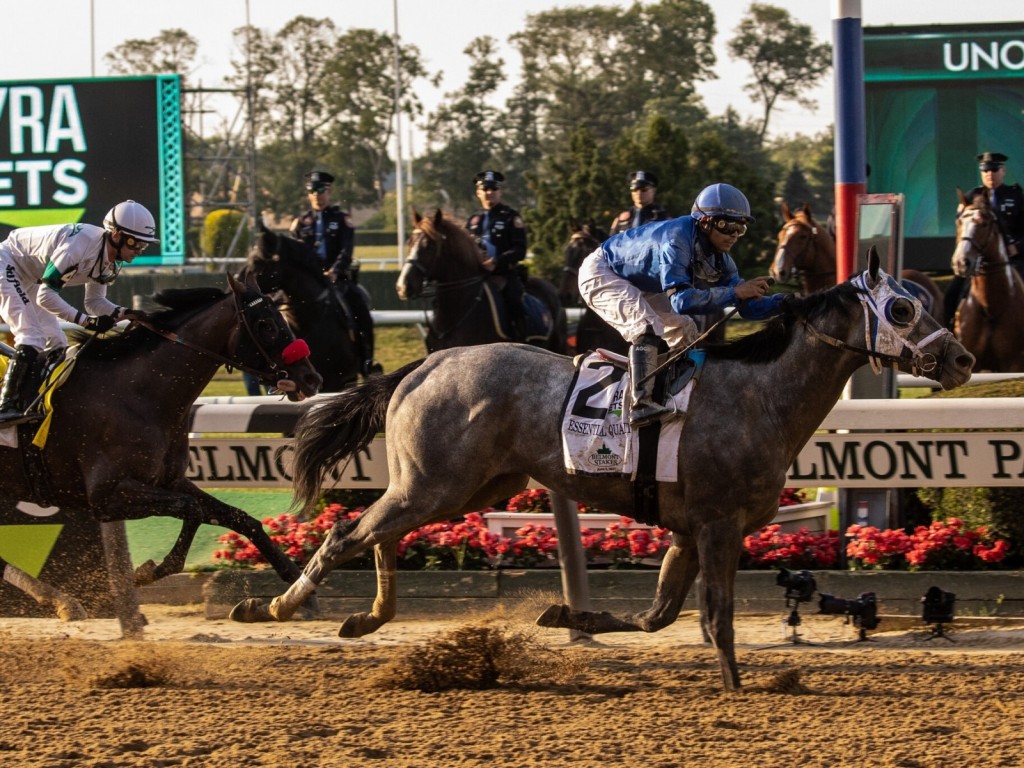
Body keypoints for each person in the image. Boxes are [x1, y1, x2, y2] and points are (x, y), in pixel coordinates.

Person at [579, 182, 783, 426]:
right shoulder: (677, 239)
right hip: (602, 271)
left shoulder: (722, 260)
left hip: (640, 283)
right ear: (705, 222)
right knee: (647, 326)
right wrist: (736, 292)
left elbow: (747, 308)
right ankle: (640, 404)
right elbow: (682, 301)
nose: (734, 236)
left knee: (686, 330)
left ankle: (681, 396)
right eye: (728, 226)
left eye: (740, 229)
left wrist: (789, 303)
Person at [0, 200, 156, 424]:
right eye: (135, 243)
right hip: (6, 263)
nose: (138, 251)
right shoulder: (80, 245)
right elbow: (46, 296)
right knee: (31, 335)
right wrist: (86, 322)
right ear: (116, 234)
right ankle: (6, 406)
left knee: (57, 343)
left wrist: (126, 313)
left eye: (144, 246)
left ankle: (31, 401)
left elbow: (95, 302)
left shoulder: (109, 261)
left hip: (30, 277)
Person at [290, 170, 380, 377]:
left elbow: (346, 251)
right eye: (312, 190)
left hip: (337, 281)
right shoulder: (300, 223)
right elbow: (295, 254)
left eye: (320, 190)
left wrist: (334, 271)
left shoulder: (341, 220)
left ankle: (367, 361)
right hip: (308, 282)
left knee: (360, 309)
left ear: (328, 191)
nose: (316, 194)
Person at [944, 151, 1024, 327]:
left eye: (994, 170)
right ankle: (948, 330)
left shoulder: (1016, 196)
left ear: (1003, 171)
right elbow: (963, 228)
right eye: (986, 170)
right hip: (978, 261)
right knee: (952, 292)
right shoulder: (972, 196)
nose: (990, 174)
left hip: (1011, 259)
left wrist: (1017, 247)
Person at [466, 170, 528, 341]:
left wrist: (497, 262)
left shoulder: (511, 217)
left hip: (503, 274)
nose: (490, 193)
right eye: (485, 189)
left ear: (500, 192)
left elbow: (519, 249)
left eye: (494, 189)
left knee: (515, 301)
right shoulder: (473, 220)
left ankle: (521, 339)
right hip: (477, 277)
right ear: (478, 193)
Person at [609, 170, 671, 235]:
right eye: (634, 189)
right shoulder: (622, 218)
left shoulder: (662, 217)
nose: (639, 193)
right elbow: (611, 241)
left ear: (653, 191)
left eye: (644, 189)